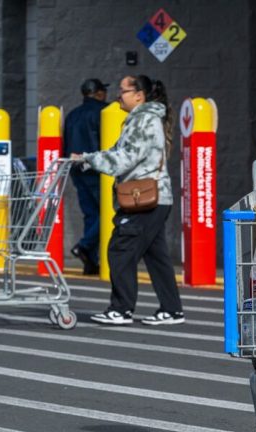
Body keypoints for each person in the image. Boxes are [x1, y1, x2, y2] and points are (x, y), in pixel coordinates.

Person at [72, 75, 185, 327]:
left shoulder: (143, 120)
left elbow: (125, 158)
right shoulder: (141, 119)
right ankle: (172, 310)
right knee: (156, 256)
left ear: (139, 95)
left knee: (120, 250)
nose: (118, 95)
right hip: (154, 198)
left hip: (142, 199)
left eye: (123, 91)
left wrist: (89, 160)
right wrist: (88, 157)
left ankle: (121, 309)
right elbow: (117, 152)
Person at [64, 79, 107, 275]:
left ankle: (90, 261)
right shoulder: (104, 112)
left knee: (91, 214)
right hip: (97, 170)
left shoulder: (72, 115)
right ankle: (85, 246)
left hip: (76, 170)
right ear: (98, 93)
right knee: (108, 212)